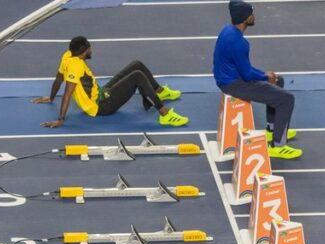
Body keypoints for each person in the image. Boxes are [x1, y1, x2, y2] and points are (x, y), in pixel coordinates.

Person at [34, 36, 187, 128]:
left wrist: (51, 98)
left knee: (136, 64)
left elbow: (58, 79)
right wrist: (60, 120)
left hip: (101, 93)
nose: (91, 49)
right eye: (89, 48)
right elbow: (68, 93)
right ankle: (164, 114)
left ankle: (160, 92)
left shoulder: (67, 56)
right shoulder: (76, 66)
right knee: (138, 76)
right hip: (102, 106)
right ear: (84, 51)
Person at [214, 1, 301, 158]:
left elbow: (244, 68)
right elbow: (247, 75)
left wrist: (266, 75)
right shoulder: (239, 43)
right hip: (233, 84)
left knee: (278, 81)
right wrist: (264, 76)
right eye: (251, 14)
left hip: (230, 78)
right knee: (287, 99)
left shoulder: (228, 30)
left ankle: (273, 130)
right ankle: (278, 146)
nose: (254, 16)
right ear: (246, 19)